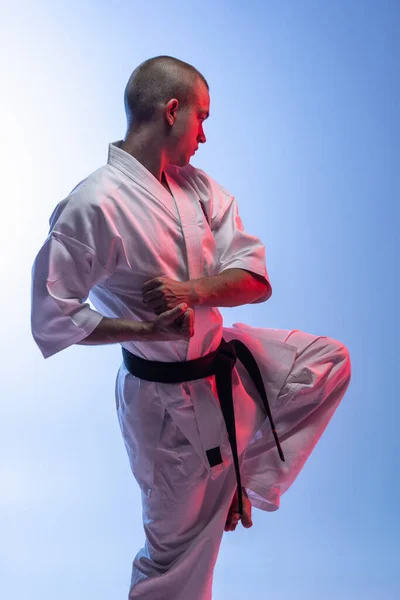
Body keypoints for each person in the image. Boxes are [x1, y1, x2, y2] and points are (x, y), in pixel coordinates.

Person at [31, 55, 351, 599]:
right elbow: (53, 315)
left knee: (326, 361)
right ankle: (223, 484)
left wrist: (194, 290)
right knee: (174, 559)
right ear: (172, 111)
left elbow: (254, 279)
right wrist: (143, 327)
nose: (205, 134)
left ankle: (236, 476)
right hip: (159, 404)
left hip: (218, 368)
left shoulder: (197, 188)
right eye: (202, 117)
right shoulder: (92, 205)